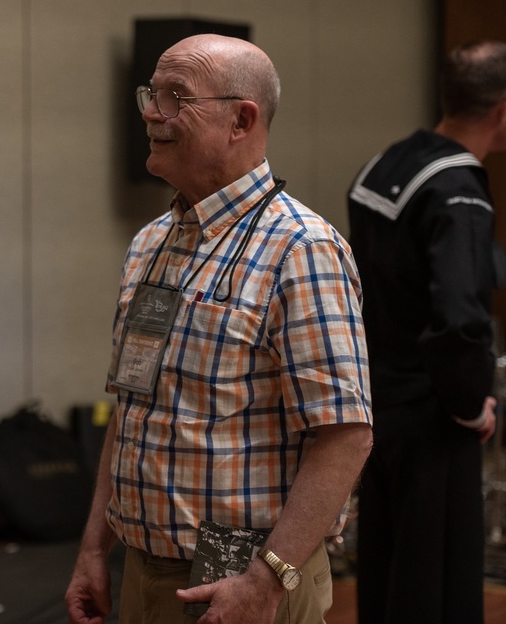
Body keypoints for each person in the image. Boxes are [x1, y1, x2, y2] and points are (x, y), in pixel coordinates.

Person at [64, 34, 374, 624]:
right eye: (150, 95)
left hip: (249, 586)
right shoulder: (151, 244)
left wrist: (266, 581)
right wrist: (92, 550)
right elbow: (131, 411)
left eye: (176, 97)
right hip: (144, 573)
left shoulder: (302, 250)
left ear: (241, 120)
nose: (153, 113)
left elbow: (345, 438)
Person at [347, 40, 505, 623]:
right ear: (502, 112)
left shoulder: (385, 163)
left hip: (376, 408)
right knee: (437, 590)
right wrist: (471, 405)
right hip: (434, 416)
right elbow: (461, 318)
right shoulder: (459, 187)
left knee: (387, 575)